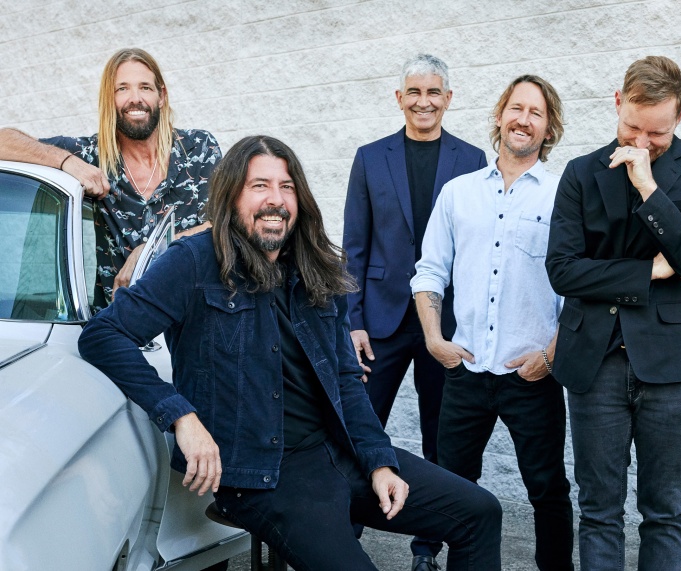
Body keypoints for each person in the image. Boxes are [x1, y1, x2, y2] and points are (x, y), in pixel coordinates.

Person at [78, 135, 502, 571]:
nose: (275, 200)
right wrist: (181, 417)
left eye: (286, 187)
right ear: (231, 196)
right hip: (262, 473)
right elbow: (103, 335)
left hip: (337, 450)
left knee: (480, 513)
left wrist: (378, 461)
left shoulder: (316, 267)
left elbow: (345, 380)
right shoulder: (193, 261)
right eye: (259, 186)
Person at [545, 56, 681, 571]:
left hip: (672, 366)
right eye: (632, 128)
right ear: (617, 102)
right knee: (599, 510)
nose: (642, 142)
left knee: (665, 512)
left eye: (657, 133)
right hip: (595, 360)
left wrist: (649, 187)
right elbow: (562, 270)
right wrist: (649, 270)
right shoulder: (580, 173)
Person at [412, 75, 573, 571]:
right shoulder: (458, 193)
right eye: (516, 108)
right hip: (466, 370)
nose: (523, 119)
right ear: (500, 116)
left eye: (536, 113)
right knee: (451, 486)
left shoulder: (562, 196)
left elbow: (578, 289)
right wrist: (434, 339)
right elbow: (429, 271)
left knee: (548, 490)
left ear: (549, 129)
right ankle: (442, 562)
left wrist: (550, 356)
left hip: (533, 374)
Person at [343, 53, 487, 571]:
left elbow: (477, 248)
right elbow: (353, 247)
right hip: (379, 323)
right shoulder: (370, 157)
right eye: (414, 92)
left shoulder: (473, 159)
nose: (423, 102)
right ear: (399, 97)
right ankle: (342, 537)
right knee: (358, 430)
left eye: (433, 92)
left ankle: (428, 548)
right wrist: (354, 321)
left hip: (443, 325)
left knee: (441, 438)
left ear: (448, 98)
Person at [0, 47, 219, 307]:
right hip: (121, 322)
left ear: (161, 96)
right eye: (122, 89)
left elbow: (225, 225)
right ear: (109, 99)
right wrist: (68, 162)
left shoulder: (199, 148)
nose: (135, 99)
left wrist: (150, 251)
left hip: (196, 319)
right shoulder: (92, 156)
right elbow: (4, 140)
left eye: (145, 88)